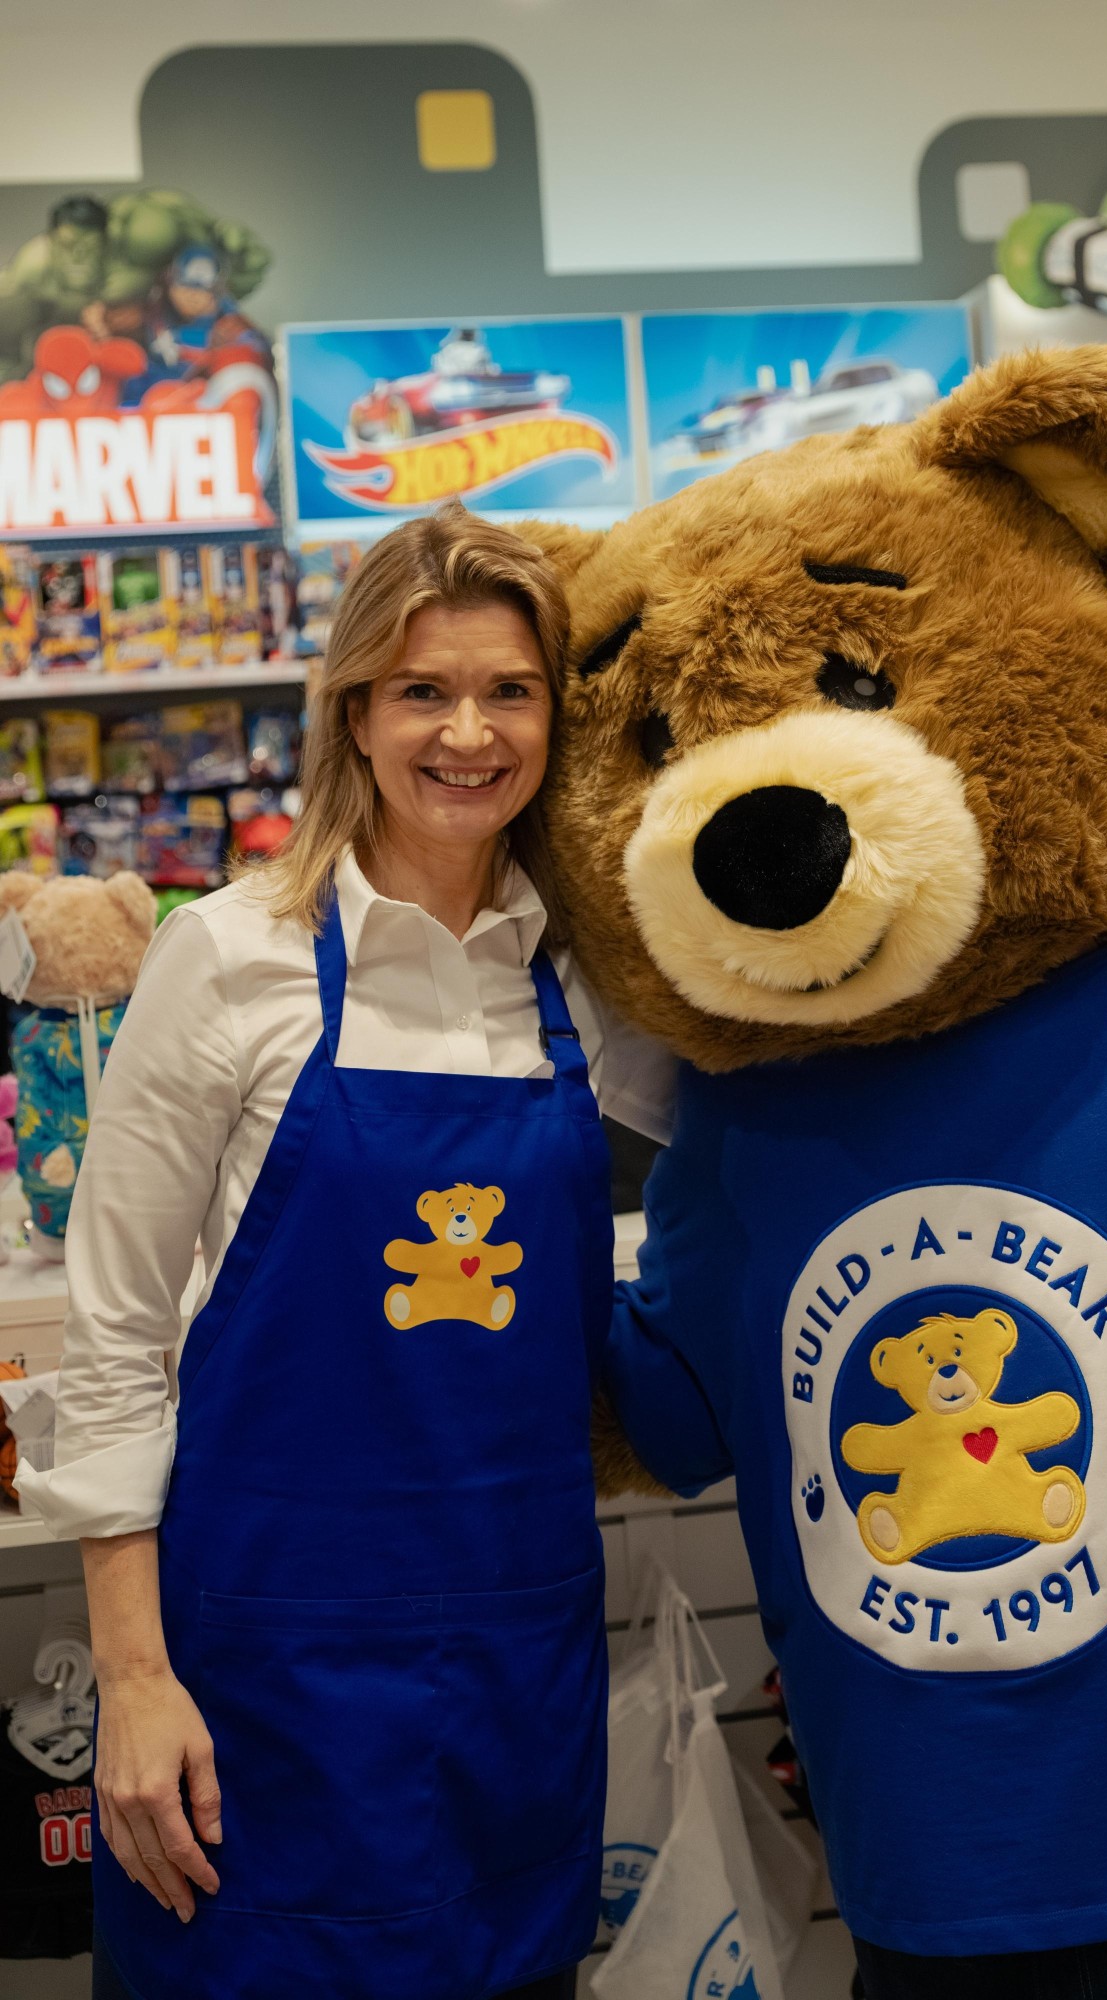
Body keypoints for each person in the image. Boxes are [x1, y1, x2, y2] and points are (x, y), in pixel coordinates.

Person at [17, 501, 674, 2000]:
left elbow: (744, 1148)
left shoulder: (584, 978)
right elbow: (113, 1340)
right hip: (261, 1678)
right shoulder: (228, 955)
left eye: (510, 691)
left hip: (514, 1662)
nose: (469, 734)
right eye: (423, 690)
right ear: (356, 712)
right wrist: (133, 1675)